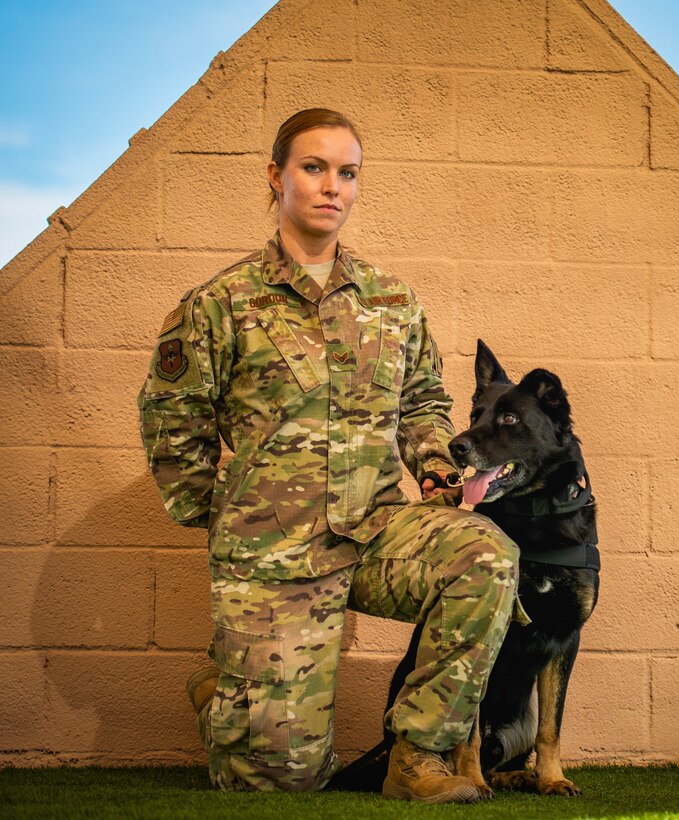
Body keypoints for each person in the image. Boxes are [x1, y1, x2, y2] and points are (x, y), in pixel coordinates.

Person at [137, 109, 519, 802]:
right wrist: (216, 512)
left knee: (486, 555)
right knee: (279, 782)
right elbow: (173, 415)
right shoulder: (220, 303)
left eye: (347, 172)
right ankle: (230, 691)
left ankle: (419, 757)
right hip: (273, 557)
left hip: (375, 532)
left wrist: (434, 464)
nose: (330, 187)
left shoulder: (392, 302)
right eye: (313, 168)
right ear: (276, 176)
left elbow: (422, 402)